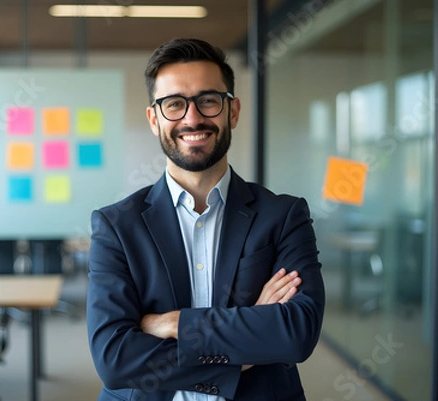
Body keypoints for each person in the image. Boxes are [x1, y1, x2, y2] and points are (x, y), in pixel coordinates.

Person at [86, 38, 325, 401]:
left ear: (233, 111)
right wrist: (246, 342)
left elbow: (297, 332)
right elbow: (114, 359)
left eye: (208, 101)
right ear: (154, 119)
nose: (192, 118)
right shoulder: (116, 227)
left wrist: (173, 323)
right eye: (174, 104)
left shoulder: (284, 215)